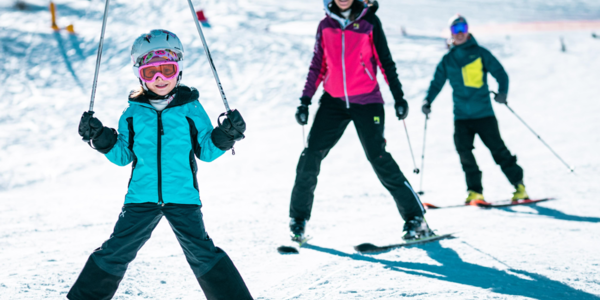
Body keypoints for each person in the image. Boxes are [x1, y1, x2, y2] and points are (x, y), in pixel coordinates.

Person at [68, 29, 252, 300]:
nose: (159, 78)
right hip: (140, 198)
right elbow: (123, 155)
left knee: (202, 253)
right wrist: (100, 136)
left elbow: (206, 150)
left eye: (167, 69)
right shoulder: (132, 113)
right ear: (139, 74)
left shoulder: (191, 109)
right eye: (151, 72)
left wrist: (226, 134)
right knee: (115, 251)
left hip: (182, 197)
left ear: (179, 70)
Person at [289, 0, 431, 243]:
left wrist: (399, 97)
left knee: (378, 157)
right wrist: (305, 100)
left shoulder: (369, 22)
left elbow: (385, 61)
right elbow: (317, 64)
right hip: (333, 101)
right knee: (311, 154)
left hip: (367, 101)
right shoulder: (325, 25)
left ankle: (415, 218)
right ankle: (298, 220)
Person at [423, 15, 529, 204]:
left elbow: (500, 73)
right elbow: (436, 83)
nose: (460, 32)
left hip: (484, 114)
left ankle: (519, 186)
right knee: (464, 153)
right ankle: (475, 192)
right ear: (451, 33)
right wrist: (427, 101)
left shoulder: (480, 53)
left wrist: (503, 93)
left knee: (498, 151)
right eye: (456, 29)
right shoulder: (448, 59)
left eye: (463, 27)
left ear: (468, 29)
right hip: (461, 116)